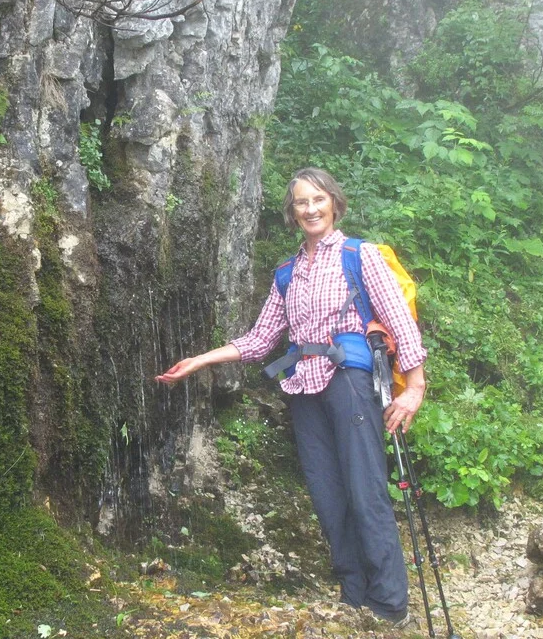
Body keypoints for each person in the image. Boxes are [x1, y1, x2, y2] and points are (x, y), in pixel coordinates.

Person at [156, 167, 427, 625]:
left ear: (334, 204)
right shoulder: (287, 273)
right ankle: (354, 596)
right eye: (301, 202)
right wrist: (200, 360)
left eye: (318, 199)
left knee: (364, 490)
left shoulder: (360, 257)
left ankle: (389, 605)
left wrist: (414, 387)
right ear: (292, 212)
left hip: (349, 381)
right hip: (303, 387)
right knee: (326, 493)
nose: (311, 208)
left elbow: (400, 321)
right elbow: (261, 340)